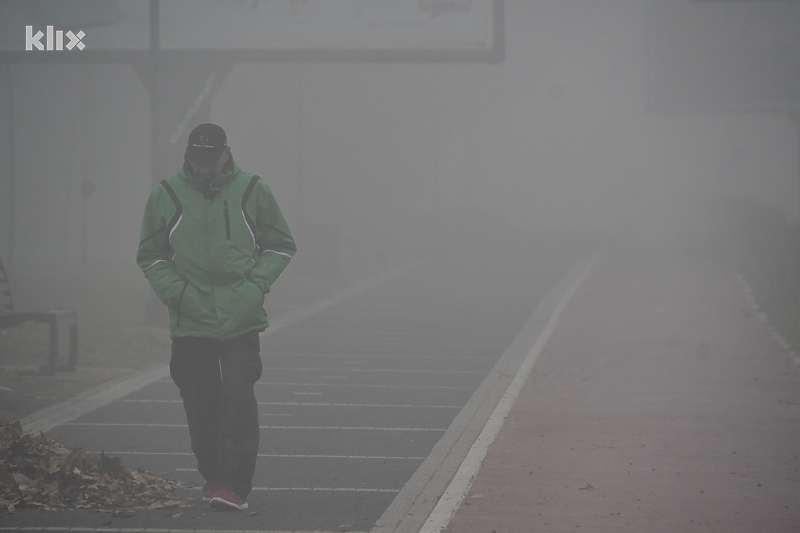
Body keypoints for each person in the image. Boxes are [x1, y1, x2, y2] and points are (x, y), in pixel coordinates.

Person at [136, 123, 296, 511]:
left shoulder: (253, 190)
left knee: (239, 398)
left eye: (211, 157)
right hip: (191, 319)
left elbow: (280, 244)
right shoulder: (166, 194)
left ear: (227, 153)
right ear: (188, 155)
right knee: (200, 401)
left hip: (240, 318)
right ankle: (214, 475)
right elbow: (151, 254)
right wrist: (179, 294)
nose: (204, 166)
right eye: (197, 158)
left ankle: (235, 487)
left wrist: (255, 286)